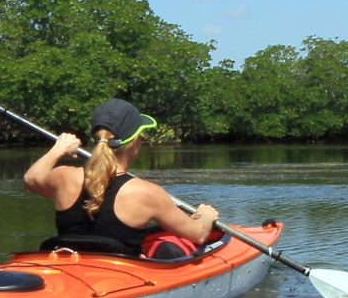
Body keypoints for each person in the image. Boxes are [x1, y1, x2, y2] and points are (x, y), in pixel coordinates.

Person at [22, 98, 223, 258]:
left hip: (69, 268)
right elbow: (198, 234)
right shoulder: (145, 193)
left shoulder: (65, 177)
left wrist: (58, 149)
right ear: (136, 141)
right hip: (118, 277)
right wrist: (205, 215)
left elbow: (31, 179)